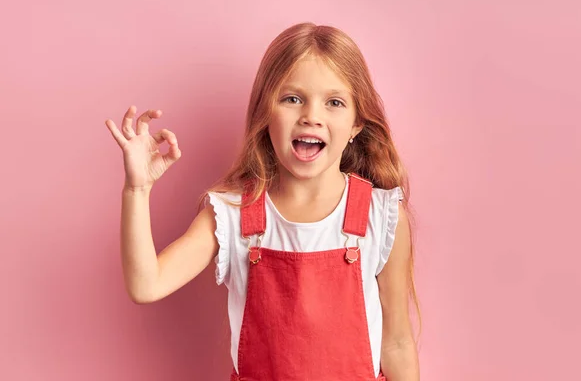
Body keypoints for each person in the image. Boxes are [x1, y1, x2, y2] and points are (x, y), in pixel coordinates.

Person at [105, 22, 420, 381]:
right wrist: (137, 190)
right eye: (292, 98)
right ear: (264, 114)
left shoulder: (381, 215)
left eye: (334, 102)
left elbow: (396, 344)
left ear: (356, 125)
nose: (311, 116)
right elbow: (147, 285)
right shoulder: (231, 214)